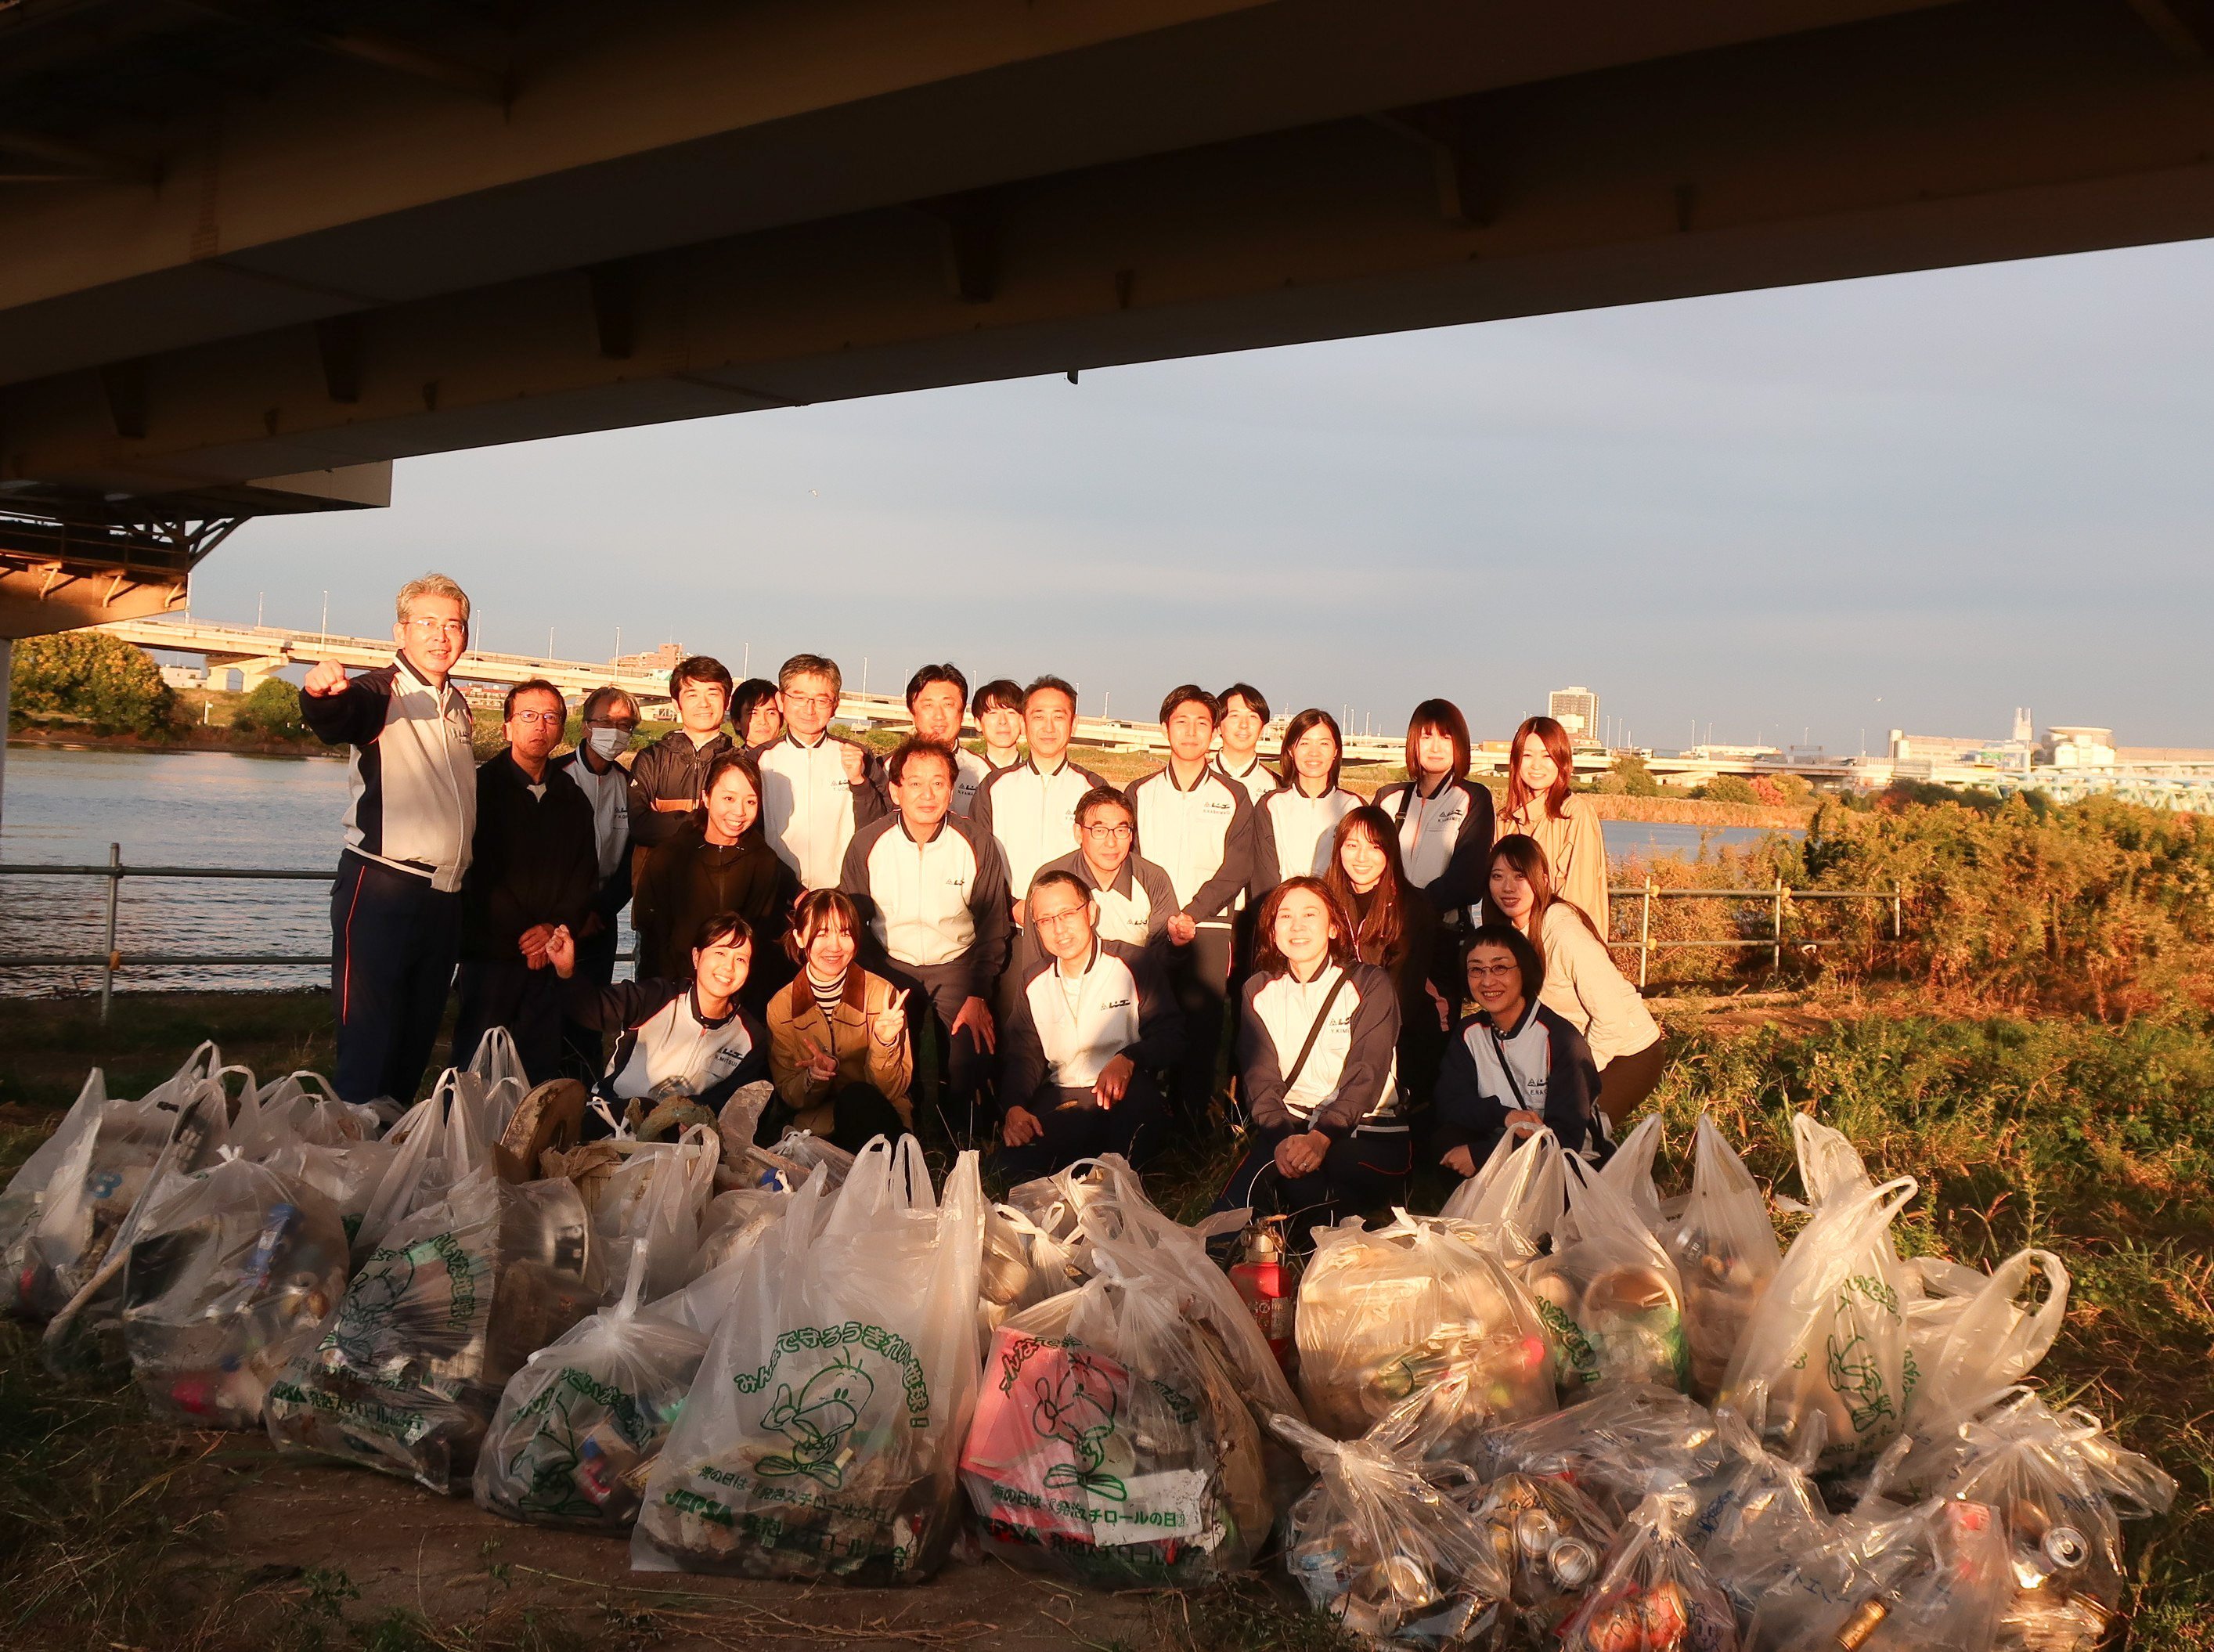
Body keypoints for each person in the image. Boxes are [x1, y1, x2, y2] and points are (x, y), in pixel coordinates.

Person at [300, 572, 479, 1107]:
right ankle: (348, 1148)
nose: (441, 635)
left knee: (415, 1040)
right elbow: (340, 716)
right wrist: (320, 695)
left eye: (454, 625)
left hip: (445, 897)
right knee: (369, 1040)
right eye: (426, 623)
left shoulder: (458, 704)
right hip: (383, 886)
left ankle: (392, 1144)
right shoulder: (380, 691)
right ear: (400, 632)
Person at [1215, 877, 1408, 1228]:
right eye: (1285, 916)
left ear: (1333, 927)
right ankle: (1225, 1251)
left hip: (1363, 1129)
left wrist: (1321, 1137)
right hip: (1290, 1124)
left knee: (1312, 1185)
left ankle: (1312, 1238)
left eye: (1310, 914)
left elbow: (1367, 1073)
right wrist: (1282, 1136)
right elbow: (1260, 1077)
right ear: (1273, 931)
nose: (1297, 926)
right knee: (1235, 1207)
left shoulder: (1369, 984)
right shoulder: (1258, 990)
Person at [839, 738, 1011, 1131]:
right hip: (889, 962)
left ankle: (962, 1135)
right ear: (895, 790)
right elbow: (855, 921)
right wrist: (870, 981)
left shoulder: (977, 843)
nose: (927, 795)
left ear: (951, 790)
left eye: (938, 783)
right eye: (915, 783)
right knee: (893, 1056)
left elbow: (992, 926)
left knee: (972, 1049)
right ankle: (903, 1130)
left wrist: (978, 993)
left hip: (957, 964)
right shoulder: (868, 842)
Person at [452, 679, 600, 1082]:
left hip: (550, 951)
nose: (540, 725)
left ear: (561, 729)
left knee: (538, 1062)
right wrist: (525, 934)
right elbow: (476, 871)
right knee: (475, 1059)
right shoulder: (479, 789)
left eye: (550, 717)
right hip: (491, 952)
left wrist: (552, 928)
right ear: (508, 727)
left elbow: (584, 876)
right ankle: (460, 1121)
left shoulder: (571, 796)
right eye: (529, 716)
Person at [995, 870, 1184, 1181]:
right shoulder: (1033, 980)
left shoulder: (1133, 964)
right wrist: (1015, 1107)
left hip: (1124, 1093)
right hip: (1065, 1094)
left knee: (1120, 1164)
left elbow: (1172, 1035)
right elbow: (1023, 1054)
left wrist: (1129, 1058)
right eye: (1046, 920)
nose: (1059, 929)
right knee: (1010, 1168)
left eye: (1068, 914)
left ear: (1091, 912)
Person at [1126, 685, 1258, 1120]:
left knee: (1201, 1030)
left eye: (1202, 723)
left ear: (1215, 732)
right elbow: (1128, 857)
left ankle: (1190, 1127)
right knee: (1142, 1022)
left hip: (1209, 928)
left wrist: (1194, 913)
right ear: (1165, 728)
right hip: (1149, 926)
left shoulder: (1234, 795)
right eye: (1181, 721)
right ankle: (1142, 1119)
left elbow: (1237, 866)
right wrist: (1165, 915)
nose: (1191, 731)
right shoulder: (1140, 791)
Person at [1484, 834, 1664, 1130]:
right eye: (1497, 876)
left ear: (1543, 879)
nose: (1508, 887)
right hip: (1571, 1053)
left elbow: (1612, 1018)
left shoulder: (1564, 932)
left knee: (1574, 1133)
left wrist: (1572, 1079)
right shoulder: (1508, 935)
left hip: (1627, 1050)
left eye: (1520, 876)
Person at [544, 913, 769, 1134]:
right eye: (720, 953)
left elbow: (729, 1102)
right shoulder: (655, 997)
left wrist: (694, 1115)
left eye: (741, 959)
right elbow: (593, 1009)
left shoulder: (750, 1038)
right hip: (613, 1118)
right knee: (641, 1106)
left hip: (679, 1135)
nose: (728, 967)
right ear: (696, 957)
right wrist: (566, 971)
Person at [1433, 922, 1604, 1174]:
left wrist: (1483, 1157)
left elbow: (1566, 1137)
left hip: (1564, 1165)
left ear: (1524, 970)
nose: (1488, 981)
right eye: (1476, 970)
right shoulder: (1469, 1033)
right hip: (1501, 1143)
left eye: (1500, 968)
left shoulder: (1561, 1039)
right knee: (1444, 1139)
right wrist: (1505, 1115)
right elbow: (1450, 1102)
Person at [632, 749, 798, 1000]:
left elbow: (764, 940)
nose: (739, 811)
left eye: (750, 801)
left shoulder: (764, 862)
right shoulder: (670, 857)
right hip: (675, 995)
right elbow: (653, 937)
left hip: (741, 998)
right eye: (729, 798)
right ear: (706, 798)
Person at [764, 889, 917, 1152]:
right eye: (822, 934)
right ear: (799, 937)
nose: (834, 946)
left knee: (857, 1098)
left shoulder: (882, 994)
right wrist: (813, 1077)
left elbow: (893, 1090)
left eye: (844, 933)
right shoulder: (781, 1006)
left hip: (876, 1122)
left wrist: (883, 1043)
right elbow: (790, 1093)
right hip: (818, 1128)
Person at [1321, 805, 1447, 1106]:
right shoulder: (1324, 900)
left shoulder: (1412, 907)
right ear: (1338, 850)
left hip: (1400, 1035)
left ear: (1390, 852)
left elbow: (1403, 992)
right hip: (1330, 1029)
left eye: (1374, 847)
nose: (1361, 857)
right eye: (1352, 845)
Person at [971, 674, 1108, 922]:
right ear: (1024, 723)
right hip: (1010, 924)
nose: (1049, 727)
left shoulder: (1094, 789)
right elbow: (978, 859)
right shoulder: (993, 787)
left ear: (1074, 724)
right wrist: (1011, 906)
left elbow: (1106, 859)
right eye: (1039, 717)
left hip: (1072, 926)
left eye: (1058, 717)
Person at [553, 686, 640, 1075]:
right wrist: (575, 912)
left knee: (589, 1014)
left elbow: (631, 861)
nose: (615, 732)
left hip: (602, 919)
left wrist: (600, 911)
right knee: (549, 1012)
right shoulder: (556, 776)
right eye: (606, 721)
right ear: (587, 726)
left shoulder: (629, 785)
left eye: (625, 725)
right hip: (557, 916)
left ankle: (585, 1088)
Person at [751, 652, 886, 890]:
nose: (809, 709)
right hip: (776, 892)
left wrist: (860, 783)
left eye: (821, 700)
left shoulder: (859, 756)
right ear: (781, 701)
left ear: (835, 706)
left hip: (842, 894)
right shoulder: (759, 760)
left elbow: (880, 825)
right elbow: (749, 830)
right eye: (799, 697)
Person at [1372, 698, 1495, 924]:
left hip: (1445, 933)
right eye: (1426, 737)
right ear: (1413, 743)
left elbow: (1468, 881)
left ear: (1459, 743)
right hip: (1387, 931)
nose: (1435, 747)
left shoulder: (1473, 798)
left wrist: (1410, 908)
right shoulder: (1388, 798)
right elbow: (1368, 861)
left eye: (1446, 737)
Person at [1026, 785, 1178, 963]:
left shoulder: (1153, 878)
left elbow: (1162, 961)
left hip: (1135, 979)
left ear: (1131, 835)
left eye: (1121, 830)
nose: (1111, 843)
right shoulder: (1050, 881)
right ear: (1078, 833)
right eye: (1099, 831)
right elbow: (1036, 961)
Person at [626, 655, 735, 883]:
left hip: (721, 890)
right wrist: (714, 823)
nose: (703, 704)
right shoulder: (651, 759)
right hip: (657, 891)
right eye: (692, 694)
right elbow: (640, 827)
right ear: (677, 703)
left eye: (712, 694)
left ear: (727, 701)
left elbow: (745, 830)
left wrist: (665, 820)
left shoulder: (739, 762)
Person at [1500, 714, 1610, 932]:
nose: (1536, 765)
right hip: (1511, 944)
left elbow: (1580, 895)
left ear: (1562, 761)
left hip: (1561, 939)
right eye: (1527, 755)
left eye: (1547, 756)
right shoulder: (1505, 820)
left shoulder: (1575, 814)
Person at [1254, 707, 1361, 890]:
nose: (1314, 753)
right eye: (1304, 743)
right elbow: (1263, 875)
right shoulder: (1272, 805)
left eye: (1324, 743)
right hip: (1283, 904)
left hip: (1336, 906)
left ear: (1336, 751)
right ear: (1291, 750)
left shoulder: (1353, 806)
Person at [906, 662, 990, 815]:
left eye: (948, 705)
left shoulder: (983, 773)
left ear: (962, 713)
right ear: (912, 714)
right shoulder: (887, 769)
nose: (939, 716)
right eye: (928, 705)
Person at [1213, 683, 1275, 807]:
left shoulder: (1277, 786)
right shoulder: (1197, 778)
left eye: (1252, 716)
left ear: (1263, 728)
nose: (1244, 725)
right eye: (1235, 716)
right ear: (1218, 726)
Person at [971, 677, 1026, 774]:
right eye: (993, 713)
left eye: (1011, 713)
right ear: (978, 723)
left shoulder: (1038, 778)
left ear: (1023, 721)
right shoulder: (966, 776)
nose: (1003, 721)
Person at [731, 676, 783, 748]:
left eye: (771, 713)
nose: (763, 721)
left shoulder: (796, 754)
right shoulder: (728, 755)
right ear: (737, 723)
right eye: (753, 713)